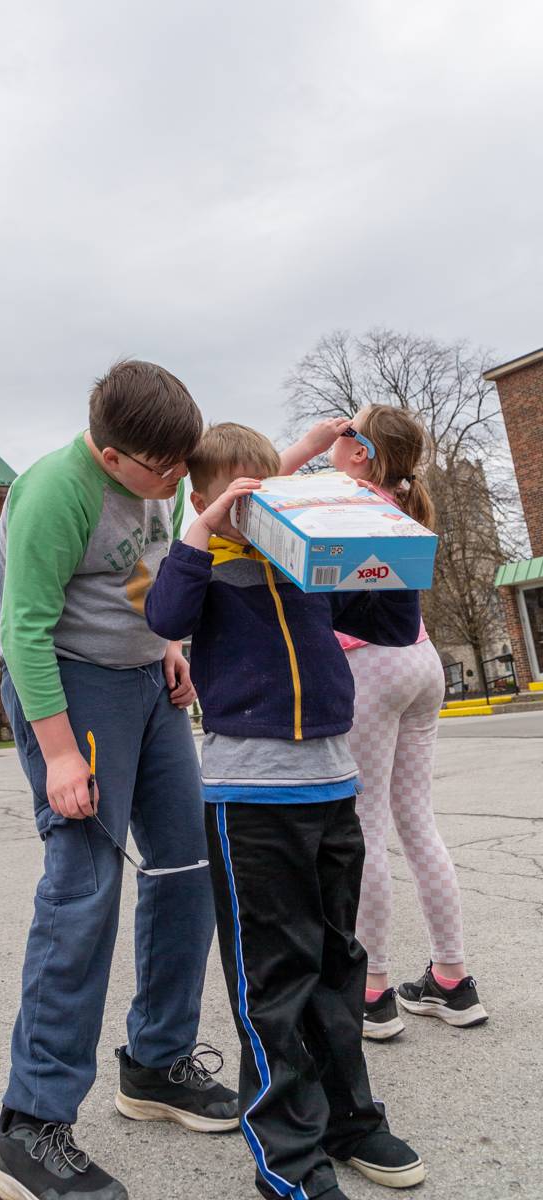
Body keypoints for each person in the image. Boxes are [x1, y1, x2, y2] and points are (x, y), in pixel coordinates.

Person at [145, 422, 426, 1200]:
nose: (252, 509)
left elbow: (394, 625)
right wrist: (203, 529)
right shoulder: (203, 569)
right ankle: (289, 1159)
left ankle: (351, 1120)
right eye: (235, 497)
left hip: (334, 785)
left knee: (340, 965)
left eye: (262, 493)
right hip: (250, 798)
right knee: (274, 982)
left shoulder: (305, 561)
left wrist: (381, 538)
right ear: (200, 502)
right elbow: (164, 616)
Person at [0, 361, 237, 1200]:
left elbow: (145, 573)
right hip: (68, 679)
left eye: (178, 466)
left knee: (185, 863)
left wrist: (167, 644)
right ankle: (30, 1127)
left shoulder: (158, 473)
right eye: (160, 469)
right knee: (84, 886)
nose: (172, 483)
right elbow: (23, 632)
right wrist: (59, 754)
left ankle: (157, 1064)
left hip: (147, 681)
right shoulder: (56, 492)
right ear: (109, 450)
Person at [282, 406, 488, 1040]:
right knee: (417, 820)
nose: (335, 439)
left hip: (369, 665)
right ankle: (451, 980)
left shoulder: (340, 496)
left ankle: (371, 992)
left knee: (364, 827)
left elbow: (256, 488)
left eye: (347, 432)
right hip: (420, 664)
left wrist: (306, 446)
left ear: (361, 451)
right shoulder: (396, 501)